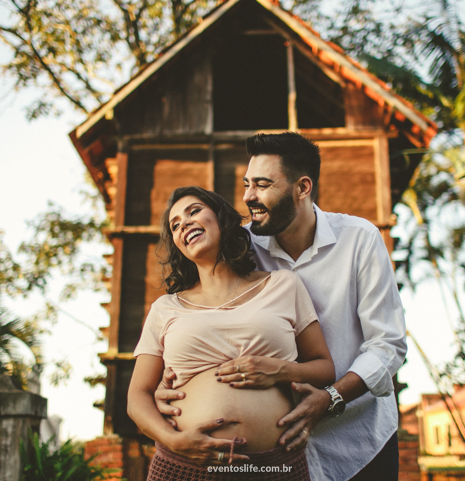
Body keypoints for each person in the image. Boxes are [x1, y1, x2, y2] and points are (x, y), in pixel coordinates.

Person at [156, 133, 407, 481]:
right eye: (247, 184)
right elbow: (204, 317)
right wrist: (171, 381)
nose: (248, 196)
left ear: (302, 187)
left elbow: (387, 345)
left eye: (262, 185)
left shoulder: (359, 239)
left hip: (359, 442)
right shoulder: (240, 246)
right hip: (276, 458)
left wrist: (331, 398)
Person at [127, 186, 335, 480]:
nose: (184, 223)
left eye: (194, 211)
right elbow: (137, 395)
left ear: (221, 218)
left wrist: (280, 370)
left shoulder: (283, 285)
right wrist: (173, 440)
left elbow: (324, 368)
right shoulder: (166, 308)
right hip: (185, 465)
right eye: (175, 225)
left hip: (276, 466)